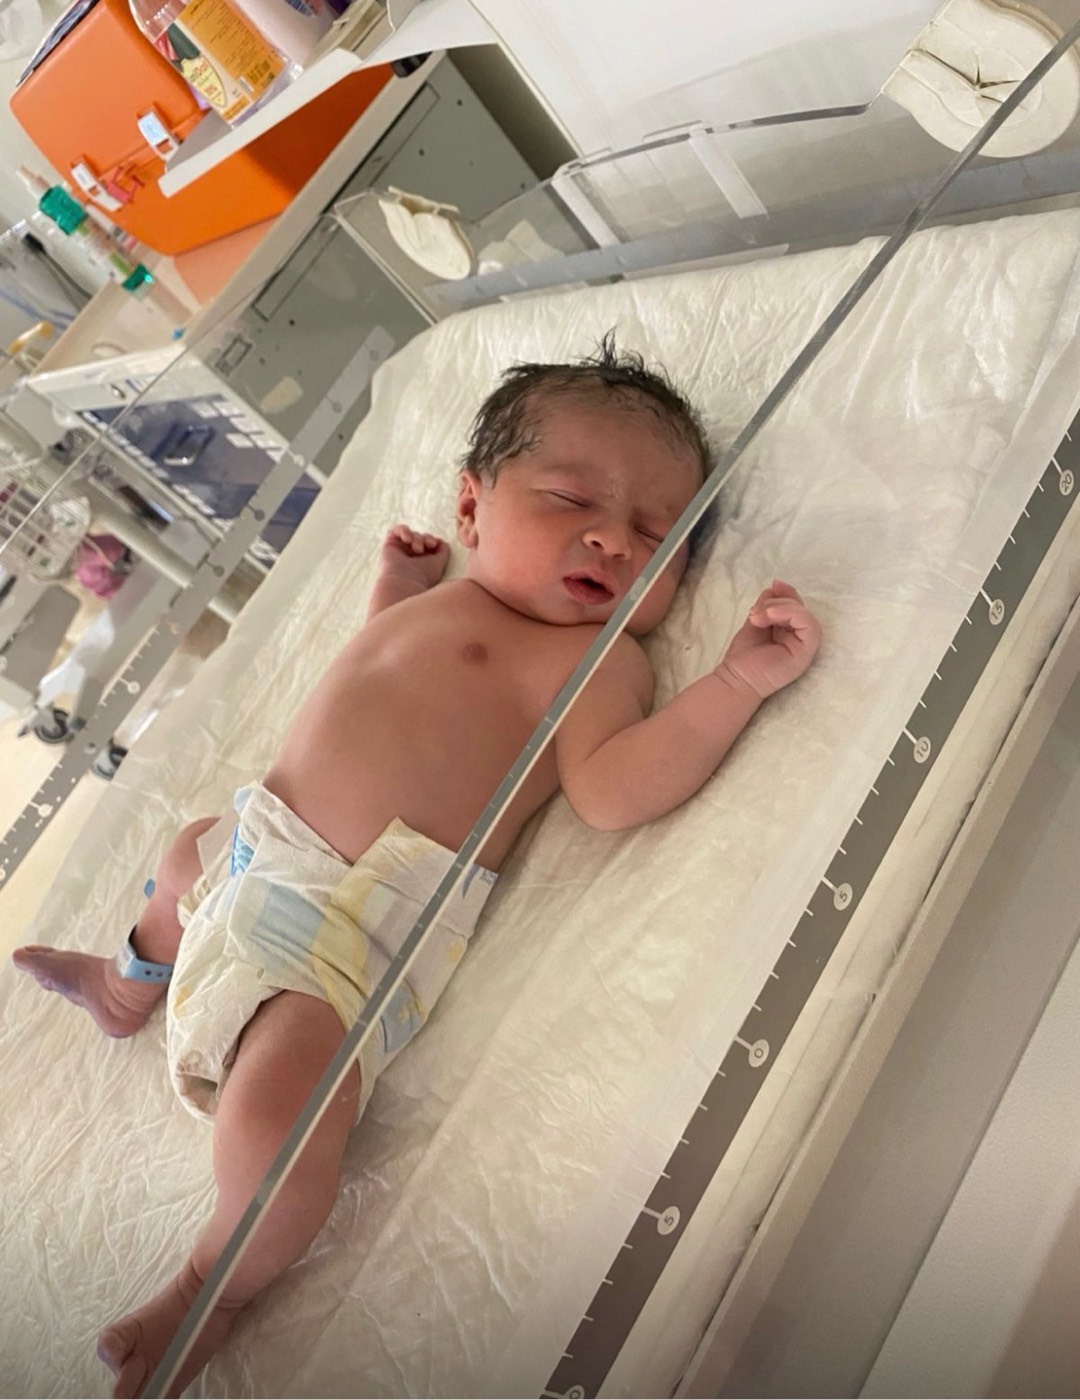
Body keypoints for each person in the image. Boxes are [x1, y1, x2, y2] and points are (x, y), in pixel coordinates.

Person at [12, 336, 822, 1397]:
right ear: (471, 508)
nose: (612, 539)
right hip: (258, 844)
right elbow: (378, 669)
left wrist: (731, 685)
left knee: (278, 1121)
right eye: (573, 498)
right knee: (179, 856)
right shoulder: (448, 599)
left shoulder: (592, 660)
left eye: (657, 534)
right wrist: (396, 585)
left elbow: (611, 789)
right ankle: (129, 986)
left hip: (346, 934)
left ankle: (210, 1284)